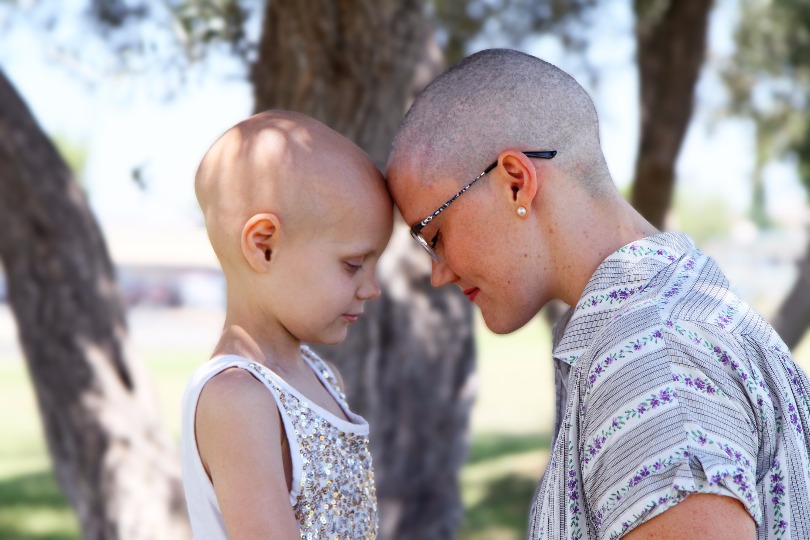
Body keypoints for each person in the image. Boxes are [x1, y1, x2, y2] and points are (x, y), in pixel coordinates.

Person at [386, 48, 810, 539]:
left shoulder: (650, 360)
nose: (436, 273)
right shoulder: (675, 314)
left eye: (434, 236)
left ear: (516, 183)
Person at [180, 110, 391, 539]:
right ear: (264, 247)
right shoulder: (237, 399)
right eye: (353, 264)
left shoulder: (320, 375)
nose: (372, 288)